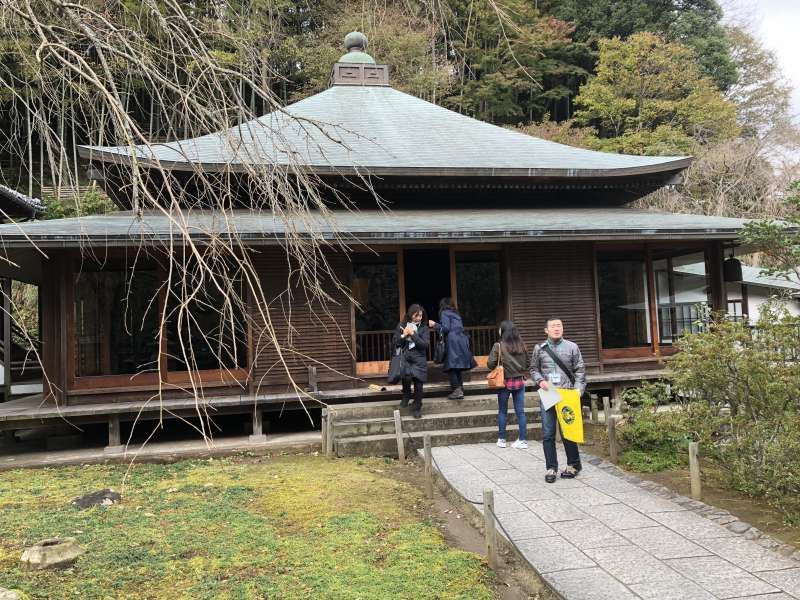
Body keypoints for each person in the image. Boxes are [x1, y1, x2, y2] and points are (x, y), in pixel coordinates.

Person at [530, 318, 586, 483]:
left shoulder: (572, 347)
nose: (556, 328)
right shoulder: (539, 349)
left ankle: (573, 465)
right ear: (546, 330)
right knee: (548, 433)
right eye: (553, 326)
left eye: (559, 326)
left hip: (567, 392)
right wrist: (540, 381)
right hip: (549, 393)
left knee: (568, 430)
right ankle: (551, 467)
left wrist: (578, 390)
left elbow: (580, 370)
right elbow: (533, 369)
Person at [486, 320, 530, 449]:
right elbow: (527, 363)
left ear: (503, 331)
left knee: (502, 411)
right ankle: (522, 440)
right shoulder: (522, 345)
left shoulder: (498, 346)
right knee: (520, 412)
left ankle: (502, 439)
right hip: (520, 382)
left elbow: (490, 364)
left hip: (504, 382)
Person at [428, 298, 476, 400]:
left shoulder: (444, 313)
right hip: (462, 340)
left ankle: (457, 390)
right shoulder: (456, 314)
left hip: (453, 341)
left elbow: (445, 328)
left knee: (451, 367)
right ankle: (460, 389)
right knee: (456, 367)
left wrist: (434, 325)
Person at [394, 303, 429, 418]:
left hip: (419, 359)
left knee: (419, 384)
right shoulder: (402, 325)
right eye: (416, 316)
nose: (419, 318)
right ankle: (406, 395)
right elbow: (396, 342)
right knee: (406, 378)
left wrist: (413, 334)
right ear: (410, 315)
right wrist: (404, 335)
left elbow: (424, 345)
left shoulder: (424, 328)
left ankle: (417, 407)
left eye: (420, 316)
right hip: (406, 357)